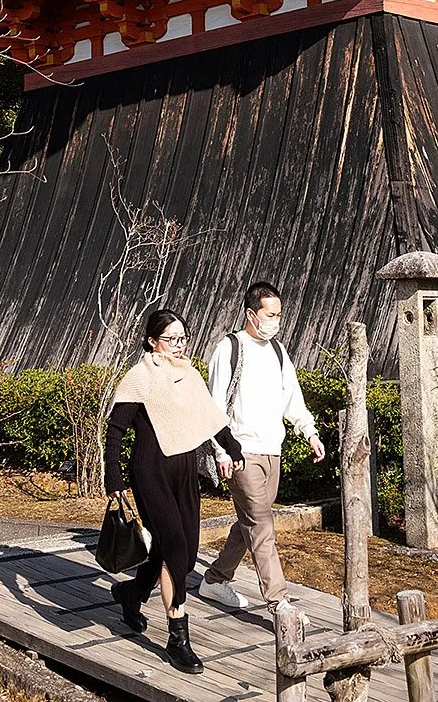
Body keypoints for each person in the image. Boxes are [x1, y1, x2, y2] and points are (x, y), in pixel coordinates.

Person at [104, 307, 244, 674]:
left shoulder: (190, 374)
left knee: (181, 547)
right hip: (149, 472)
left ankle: (130, 594)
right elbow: (115, 431)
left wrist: (232, 446)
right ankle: (177, 637)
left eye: (183, 338)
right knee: (177, 550)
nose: (179, 345)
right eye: (171, 339)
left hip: (184, 473)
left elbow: (210, 417)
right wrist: (113, 479)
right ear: (152, 341)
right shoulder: (139, 378)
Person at [201, 281, 325, 613]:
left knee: (250, 523)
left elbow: (292, 399)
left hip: (273, 451)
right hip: (241, 453)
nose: (276, 320)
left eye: (279, 314)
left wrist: (309, 432)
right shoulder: (228, 349)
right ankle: (279, 602)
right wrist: (221, 450)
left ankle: (214, 579)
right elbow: (214, 407)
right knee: (261, 525)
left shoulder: (278, 351)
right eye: (270, 314)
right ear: (251, 314)